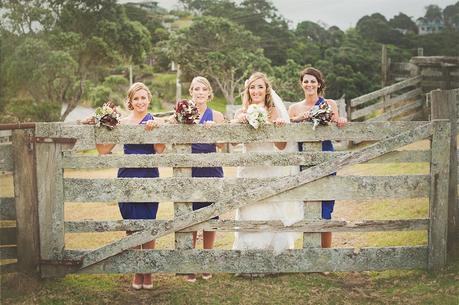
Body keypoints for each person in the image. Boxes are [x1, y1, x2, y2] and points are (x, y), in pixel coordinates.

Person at [96, 82, 165, 290]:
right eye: (136, 98)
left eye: (143, 98)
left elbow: (160, 150)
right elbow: (103, 150)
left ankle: (148, 272)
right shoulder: (122, 123)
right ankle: (137, 270)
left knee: (149, 223)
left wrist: (156, 131)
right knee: (132, 224)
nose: (140, 102)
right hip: (127, 175)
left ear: (149, 99)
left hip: (148, 175)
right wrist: (104, 124)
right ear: (130, 101)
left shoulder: (153, 121)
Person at [231, 72, 303, 258]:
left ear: (266, 90)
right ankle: (249, 256)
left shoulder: (273, 111)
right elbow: (232, 143)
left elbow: (281, 146)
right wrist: (238, 123)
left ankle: (274, 256)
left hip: (270, 167)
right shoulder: (241, 113)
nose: (256, 91)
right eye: (252, 87)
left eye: (260, 87)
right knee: (249, 208)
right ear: (248, 90)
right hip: (249, 168)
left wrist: (277, 127)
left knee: (271, 209)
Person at [288, 67, 347, 249]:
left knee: (325, 208)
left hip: (326, 157)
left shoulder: (329, 104)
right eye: (306, 81)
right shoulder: (294, 108)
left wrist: (341, 121)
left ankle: (325, 253)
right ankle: (311, 250)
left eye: (313, 81)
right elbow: (288, 131)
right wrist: (300, 118)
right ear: (301, 84)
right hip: (303, 159)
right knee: (307, 205)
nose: (309, 84)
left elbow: (337, 128)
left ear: (319, 84)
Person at [175, 76, 225, 282]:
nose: (200, 92)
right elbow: (172, 132)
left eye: (203, 89)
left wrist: (215, 132)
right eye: (196, 89)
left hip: (212, 169)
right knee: (191, 216)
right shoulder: (182, 112)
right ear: (191, 93)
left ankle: (206, 261)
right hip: (189, 169)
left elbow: (222, 144)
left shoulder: (218, 115)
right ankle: (189, 264)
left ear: (209, 93)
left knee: (211, 216)